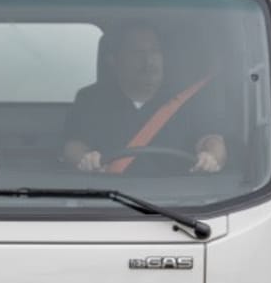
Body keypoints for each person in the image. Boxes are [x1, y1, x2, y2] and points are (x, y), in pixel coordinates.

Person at [61, 23, 227, 174]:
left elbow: (211, 140)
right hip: (108, 196)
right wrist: (85, 158)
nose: (149, 61)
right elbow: (73, 145)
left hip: (177, 200)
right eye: (138, 53)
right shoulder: (90, 99)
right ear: (114, 60)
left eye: (155, 51)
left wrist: (211, 156)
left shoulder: (188, 100)